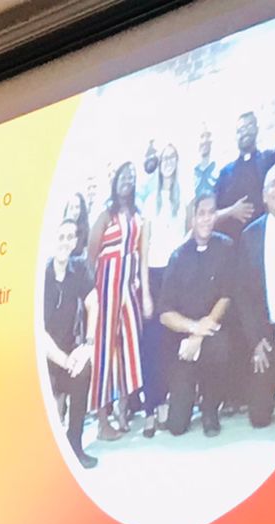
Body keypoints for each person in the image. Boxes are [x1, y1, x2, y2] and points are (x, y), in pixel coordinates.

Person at [156, 193, 237, 436]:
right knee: (177, 427)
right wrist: (192, 329)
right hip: (183, 344)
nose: (206, 218)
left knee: (221, 347)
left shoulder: (226, 247)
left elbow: (226, 296)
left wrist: (200, 335)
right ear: (192, 219)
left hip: (211, 336)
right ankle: (187, 398)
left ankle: (210, 407)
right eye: (201, 213)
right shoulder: (178, 256)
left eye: (211, 212)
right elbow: (165, 313)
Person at [87, 161, 153, 439]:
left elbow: (143, 256)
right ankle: (102, 422)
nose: (128, 179)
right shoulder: (106, 215)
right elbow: (91, 256)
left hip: (130, 289)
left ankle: (123, 409)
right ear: (115, 181)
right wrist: (94, 294)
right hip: (106, 288)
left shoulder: (139, 216)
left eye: (132, 176)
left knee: (130, 348)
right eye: (123, 175)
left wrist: (145, 293)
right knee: (104, 352)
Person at [237, 160, 275, 432]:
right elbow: (243, 294)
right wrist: (255, 341)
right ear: (264, 195)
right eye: (273, 184)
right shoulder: (250, 234)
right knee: (258, 417)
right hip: (264, 330)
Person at [41, 217, 98, 468]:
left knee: (83, 370)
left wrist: (88, 346)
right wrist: (65, 361)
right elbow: (39, 333)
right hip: (42, 356)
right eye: (60, 237)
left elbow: (93, 302)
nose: (65, 242)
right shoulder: (41, 277)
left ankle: (75, 445)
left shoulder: (80, 268)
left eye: (69, 237)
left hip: (70, 349)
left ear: (75, 241)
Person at [138, 142, 188, 431]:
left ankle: (165, 402)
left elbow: (190, 232)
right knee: (151, 345)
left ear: (177, 161)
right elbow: (144, 248)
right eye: (165, 157)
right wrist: (145, 292)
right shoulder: (150, 201)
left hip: (176, 275)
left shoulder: (185, 195)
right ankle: (150, 408)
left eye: (173, 157)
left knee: (170, 343)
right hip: (154, 277)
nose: (168, 161)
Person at [214, 111, 275, 239]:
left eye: (249, 126)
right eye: (241, 130)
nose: (245, 132)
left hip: (263, 237)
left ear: (257, 129)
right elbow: (212, 214)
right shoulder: (225, 173)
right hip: (231, 242)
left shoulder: (269, 160)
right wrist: (232, 211)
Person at [192, 126, 219, 199]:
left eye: (208, 136)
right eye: (202, 136)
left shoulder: (220, 169)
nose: (205, 140)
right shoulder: (189, 174)